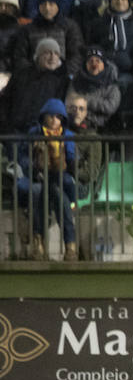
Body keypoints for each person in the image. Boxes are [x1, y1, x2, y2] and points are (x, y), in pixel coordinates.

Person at [14, 97, 79, 261]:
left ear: (62, 119)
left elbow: (72, 163)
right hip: (37, 178)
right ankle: (38, 243)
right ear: (43, 117)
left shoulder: (68, 136)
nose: (53, 120)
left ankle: (70, 245)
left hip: (58, 180)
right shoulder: (34, 134)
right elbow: (22, 156)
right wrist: (33, 167)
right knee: (36, 192)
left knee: (60, 196)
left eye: (57, 117)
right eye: (50, 116)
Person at [68, 46, 121, 128]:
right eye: (90, 61)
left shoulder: (111, 85)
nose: (94, 64)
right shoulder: (76, 82)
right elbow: (69, 101)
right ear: (85, 65)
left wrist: (86, 101)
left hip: (100, 127)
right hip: (74, 124)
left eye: (98, 61)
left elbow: (111, 106)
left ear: (103, 64)